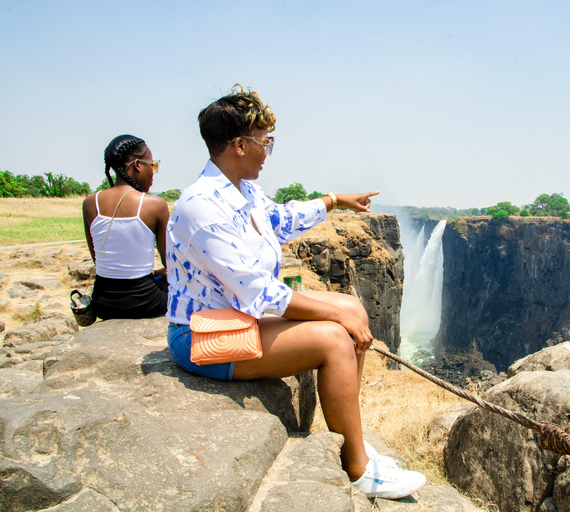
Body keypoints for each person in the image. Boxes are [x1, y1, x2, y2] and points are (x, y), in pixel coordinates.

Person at [165, 85, 426, 500]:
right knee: (335, 339)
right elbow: (257, 291)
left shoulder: (241, 191)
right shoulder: (201, 207)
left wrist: (335, 200)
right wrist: (335, 318)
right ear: (238, 144)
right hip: (201, 334)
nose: (268, 151)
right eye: (264, 141)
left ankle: (350, 437)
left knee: (351, 305)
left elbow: (282, 219)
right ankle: (357, 469)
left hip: (235, 317)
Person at [81, 135, 170, 320]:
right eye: (152, 165)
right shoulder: (155, 204)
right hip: (148, 303)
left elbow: (102, 263)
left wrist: (152, 273)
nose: (154, 172)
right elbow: (171, 264)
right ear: (137, 165)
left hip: (103, 304)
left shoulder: (90, 203)